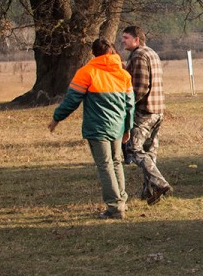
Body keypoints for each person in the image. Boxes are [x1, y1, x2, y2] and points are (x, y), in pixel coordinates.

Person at [48, 38, 134, 219]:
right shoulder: (123, 74)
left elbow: (72, 100)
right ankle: (122, 202)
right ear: (111, 52)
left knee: (105, 165)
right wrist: (127, 128)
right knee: (116, 162)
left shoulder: (87, 72)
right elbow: (129, 106)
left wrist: (57, 118)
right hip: (118, 127)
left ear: (93, 54)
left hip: (97, 127)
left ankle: (114, 207)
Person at [121, 25, 173, 204]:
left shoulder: (139, 55)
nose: (123, 41)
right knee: (149, 153)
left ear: (136, 39)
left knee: (134, 150)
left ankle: (160, 183)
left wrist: (127, 106)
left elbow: (141, 87)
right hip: (158, 110)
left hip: (145, 111)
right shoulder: (152, 53)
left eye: (126, 37)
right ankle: (149, 192)